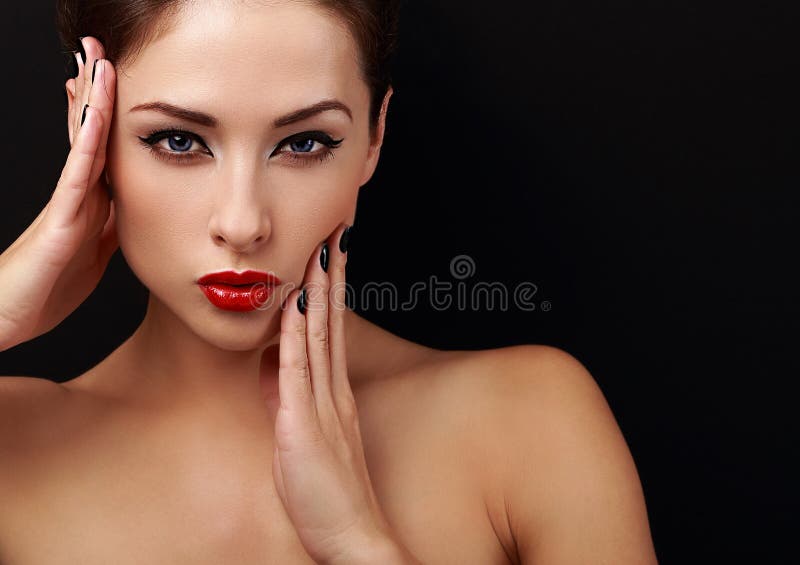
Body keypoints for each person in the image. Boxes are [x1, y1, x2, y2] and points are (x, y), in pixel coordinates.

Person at [0, 1, 659, 563]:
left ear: (373, 136)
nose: (243, 222)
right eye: (178, 140)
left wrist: (359, 543)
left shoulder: (529, 421)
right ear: (90, 124)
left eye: (304, 142)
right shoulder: (13, 446)